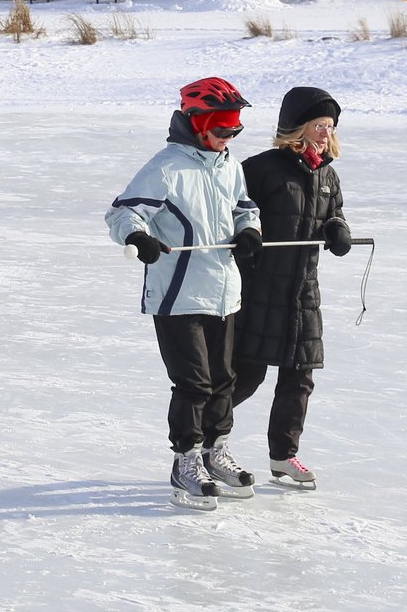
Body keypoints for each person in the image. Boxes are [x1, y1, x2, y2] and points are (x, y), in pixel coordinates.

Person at [105, 77, 265, 511]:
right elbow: (124, 212)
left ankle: (216, 451)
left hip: (224, 291)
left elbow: (244, 207)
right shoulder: (166, 167)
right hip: (177, 296)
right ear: (198, 124)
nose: (227, 139)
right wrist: (139, 239)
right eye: (221, 131)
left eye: (234, 132)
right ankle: (186, 460)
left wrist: (249, 231)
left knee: (224, 380)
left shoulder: (229, 165)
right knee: (193, 383)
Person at [233, 85, 351, 491]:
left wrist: (338, 230)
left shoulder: (327, 175)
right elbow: (233, 213)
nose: (325, 133)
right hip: (260, 289)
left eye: (330, 126)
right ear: (297, 127)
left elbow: (333, 214)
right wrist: (245, 239)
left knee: (300, 377)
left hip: (303, 293)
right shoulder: (261, 168)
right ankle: (204, 438)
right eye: (319, 125)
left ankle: (283, 456)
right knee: (246, 375)